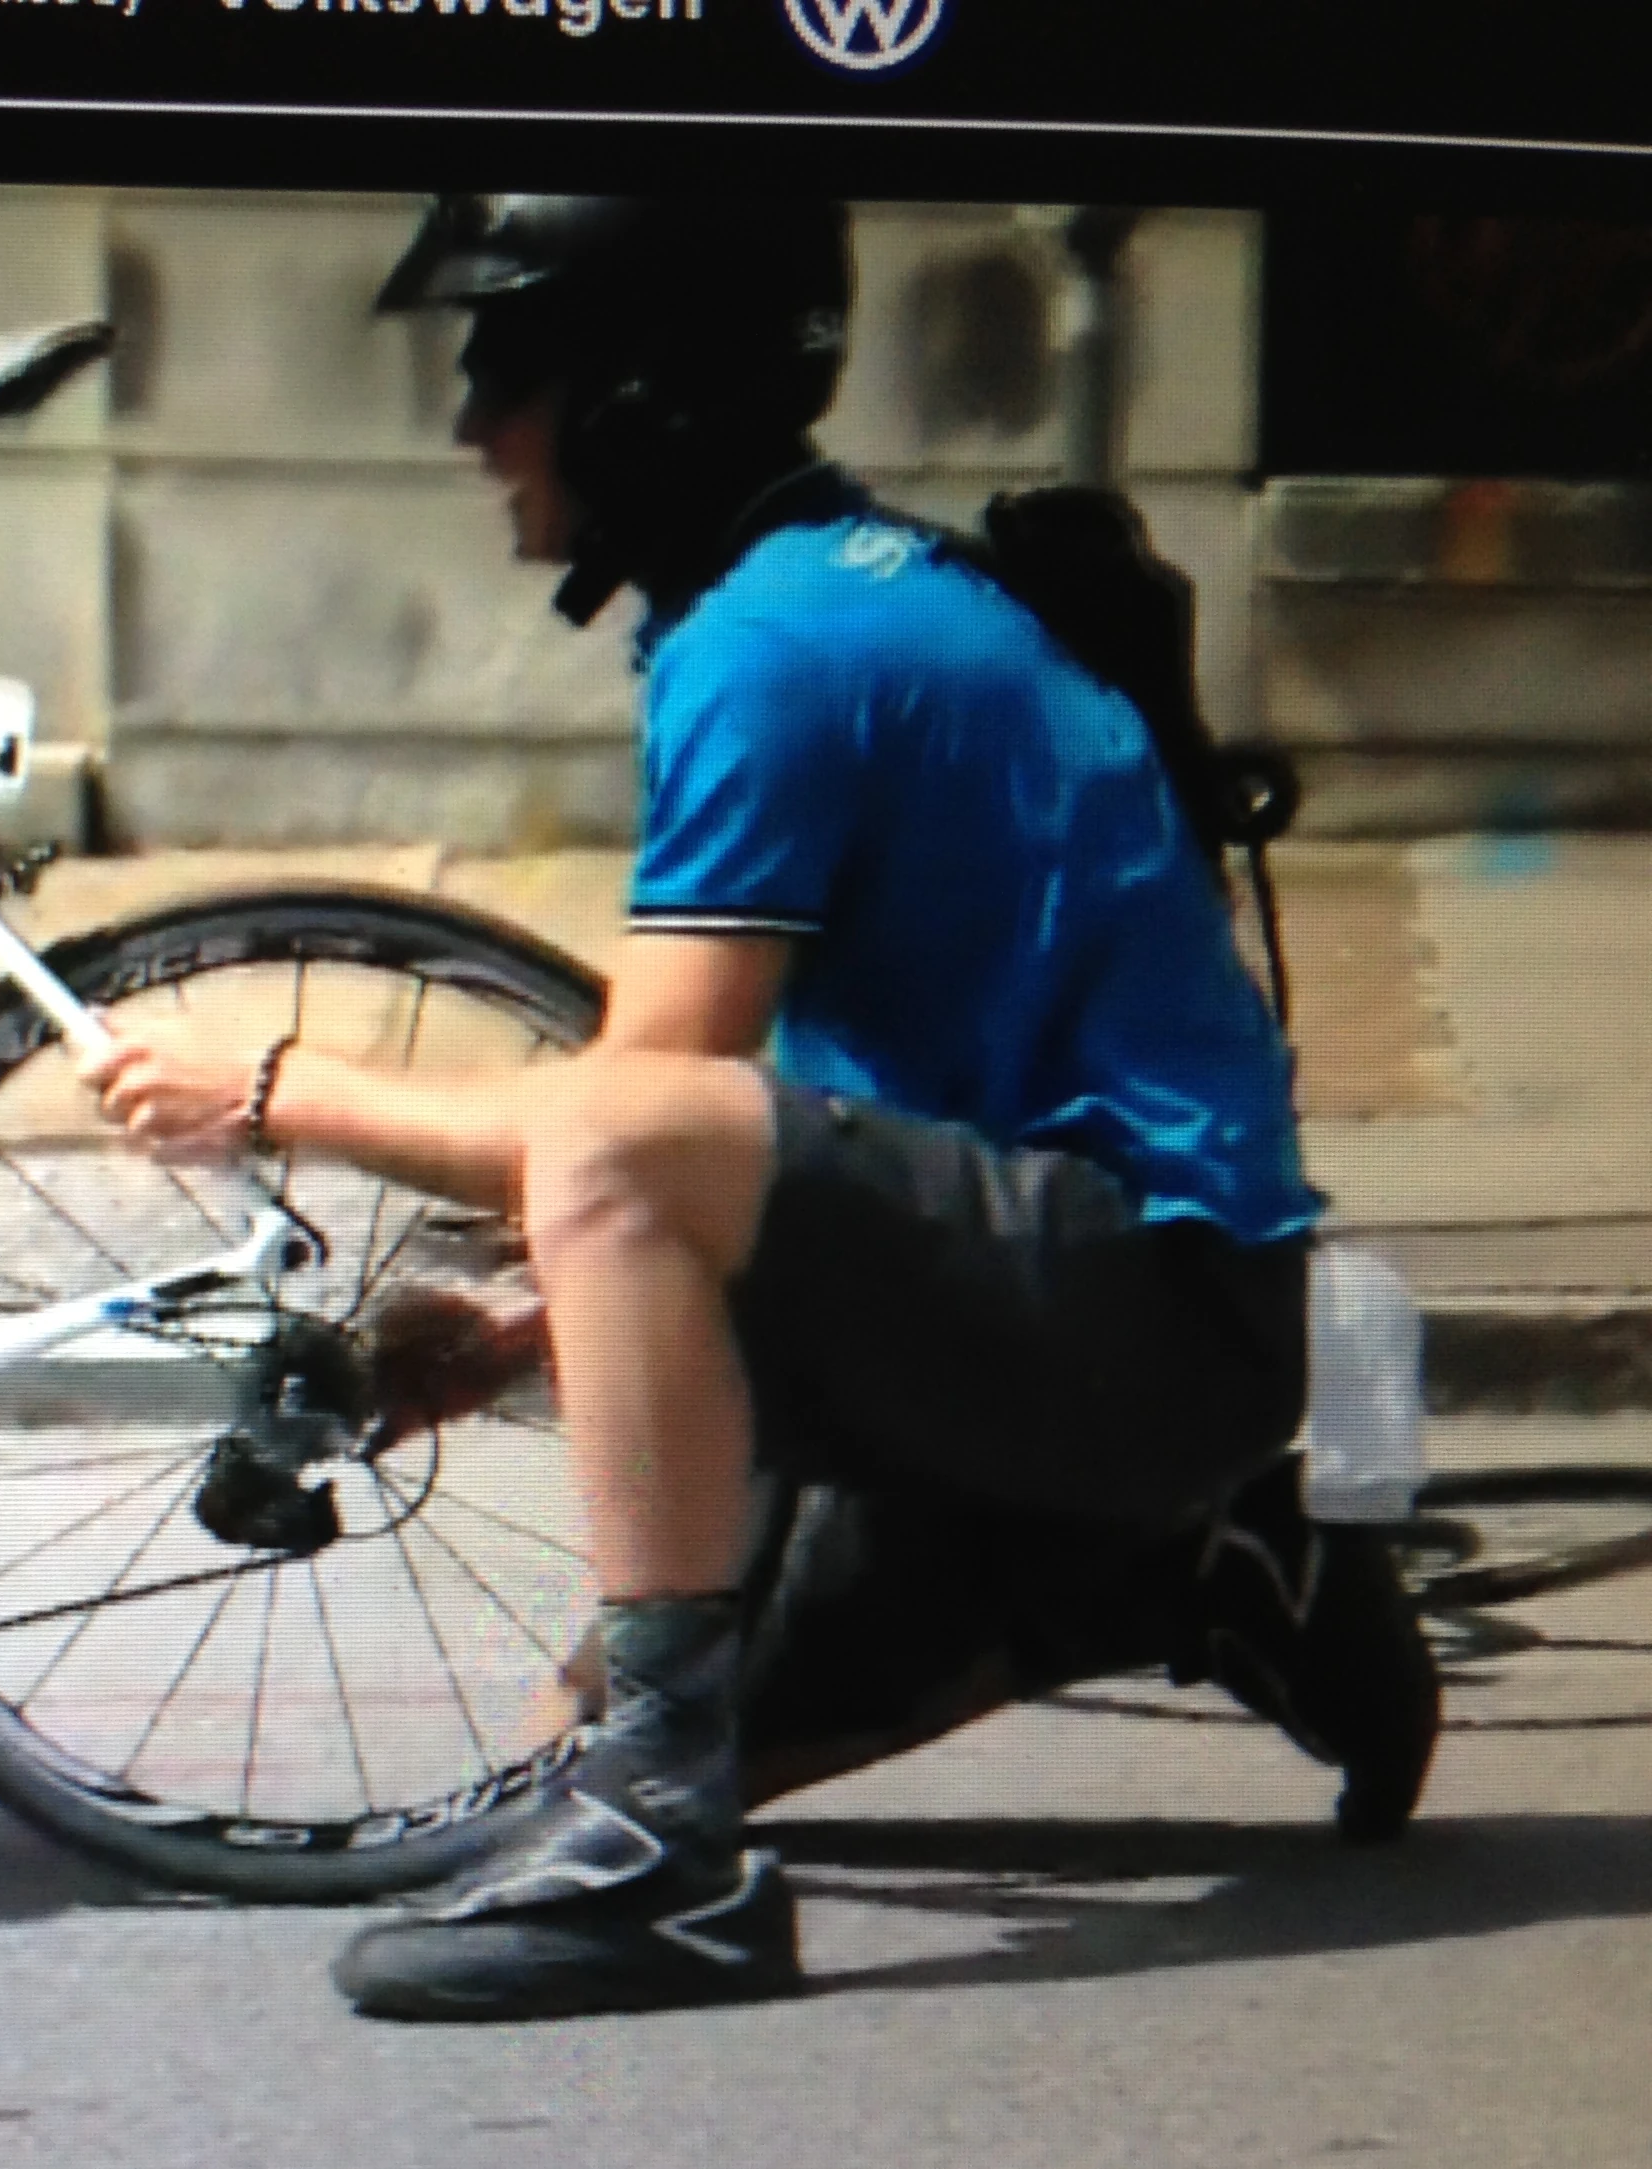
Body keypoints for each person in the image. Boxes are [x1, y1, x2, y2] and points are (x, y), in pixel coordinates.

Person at [82, 195, 1441, 2023]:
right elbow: (797, 1168)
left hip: (1151, 1313)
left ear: (644, 397)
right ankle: (1206, 1564)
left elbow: (645, 1119)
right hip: (1072, 1321)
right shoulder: (818, 595)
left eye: (508, 370)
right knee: (572, 1729)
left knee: (610, 1141)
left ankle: (667, 1859)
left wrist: (275, 1088)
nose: (472, 424)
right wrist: (511, 1334)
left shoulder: (779, 653)